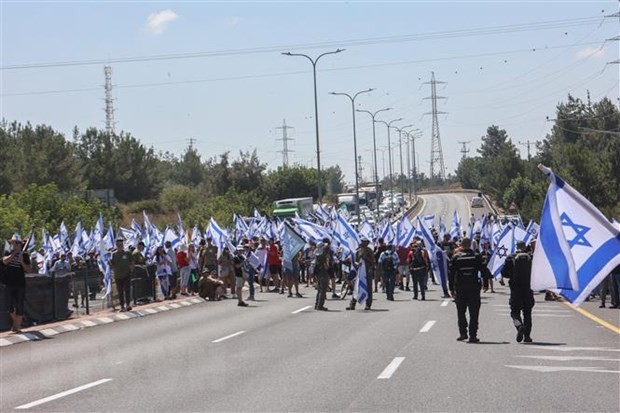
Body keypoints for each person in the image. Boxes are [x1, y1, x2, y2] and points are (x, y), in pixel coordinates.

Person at [449, 237, 490, 343]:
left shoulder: (456, 257)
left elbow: (451, 274)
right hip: (474, 288)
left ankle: (463, 333)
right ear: (470, 245)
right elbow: (484, 270)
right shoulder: (476, 256)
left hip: (461, 287)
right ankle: (473, 335)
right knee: (474, 312)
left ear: (461, 245)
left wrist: (451, 289)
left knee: (461, 311)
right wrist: (486, 284)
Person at [502, 241, 535, 343]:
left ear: (516, 247)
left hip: (515, 289)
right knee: (527, 313)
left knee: (514, 312)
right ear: (525, 247)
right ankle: (527, 336)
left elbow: (504, 272)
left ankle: (519, 326)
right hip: (528, 288)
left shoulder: (510, 257)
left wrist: (512, 275)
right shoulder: (531, 258)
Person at [2, 236, 32, 333]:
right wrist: (14, 253)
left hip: (20, 283)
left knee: (19, 305)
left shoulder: (25, 255)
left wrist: (22, 261)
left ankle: (17, 326)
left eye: (16, 243)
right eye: (13, 243)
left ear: (20, 244)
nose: (14, 245)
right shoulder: (8, 252)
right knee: (9, 306)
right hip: (9, 283)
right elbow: (5, 261)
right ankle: (15, 322)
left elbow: (28, 270)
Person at [346, 237, 375, 311]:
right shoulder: (358, 251)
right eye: (362, 241)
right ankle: (352, 304)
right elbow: (356, 261)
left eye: (364, 242)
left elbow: (372, 261)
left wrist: (365, 258)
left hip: (367, 272)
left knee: (368, 288)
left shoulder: (369, 251)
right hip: (359, 272)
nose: (362, 243)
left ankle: (368, 305)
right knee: (357, 287)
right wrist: (358, 263)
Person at [110, 237, 134, 312]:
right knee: (120, 292)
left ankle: (128, 305)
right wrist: (109, 263)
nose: (119, 245)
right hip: (118, 276)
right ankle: (122, 306)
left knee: (127, 291)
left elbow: (132, 262)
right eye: (118, 244)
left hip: (126, 275)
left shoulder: (127, 253)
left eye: (121, 244)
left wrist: (131, 270)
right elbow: (112, 265)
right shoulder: (114, 254)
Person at [314, 242, 331, 311]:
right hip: (323, 273)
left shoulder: (317, 255)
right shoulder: (324, 256)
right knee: (323, 290)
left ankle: (316, 304)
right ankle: (320, 305)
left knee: (319, 290)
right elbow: (326, 267)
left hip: (318, 274)